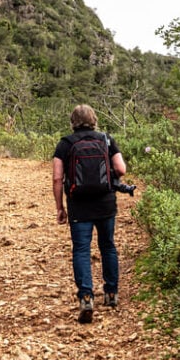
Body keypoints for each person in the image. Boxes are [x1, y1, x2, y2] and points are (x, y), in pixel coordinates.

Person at [52, 104, 127, 323]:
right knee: (108, 246)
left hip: (79, 206)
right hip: (105, 204)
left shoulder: (65, 144)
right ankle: (111, 293)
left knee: (82, 250)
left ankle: (86, 296)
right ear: (94, 119)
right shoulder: (106, 140)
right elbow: (121, 169)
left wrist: (60, 207)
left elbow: (57, 178)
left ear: (72, 121)